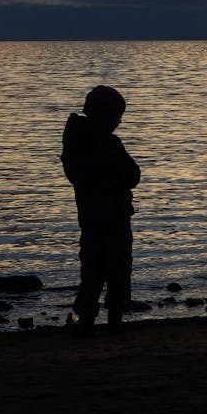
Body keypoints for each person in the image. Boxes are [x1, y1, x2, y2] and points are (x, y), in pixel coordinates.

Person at [61, 85, 141, 336]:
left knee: (93, 269)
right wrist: (112, 182)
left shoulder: (75, 140)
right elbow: (132, 175)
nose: (119, 122)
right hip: (112, 214)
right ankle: (112, 320)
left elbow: (77, 175)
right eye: (117, 117)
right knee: (116, 266)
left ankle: (84, 319)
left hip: (91, 215)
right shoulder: (106, 141)